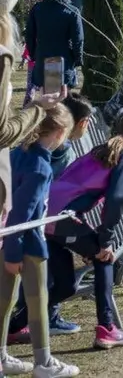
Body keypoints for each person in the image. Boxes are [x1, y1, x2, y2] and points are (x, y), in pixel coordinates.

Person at [35, 109, 123, 350]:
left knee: (66, 285)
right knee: (104, 257)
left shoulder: (102, 148)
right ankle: (106, 328)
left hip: (43, 214)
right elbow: (118, 197)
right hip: (62, 216)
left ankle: (15, 324)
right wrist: (106, 238)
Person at [0, 105, 79, 378]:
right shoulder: (40, 167)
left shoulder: (14, 155)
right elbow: (21, 215)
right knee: (37, 300)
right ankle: (43, 362)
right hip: (28, 245)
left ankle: (1, 357)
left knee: (6, 300)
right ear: (59, 133)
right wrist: (13, 254)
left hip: (9, 240)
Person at [0, 0, 67, 216]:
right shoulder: (2, 56)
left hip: (39, 60)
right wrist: (38, 107)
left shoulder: (38, 10)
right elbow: (2, 131)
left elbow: (32, 36)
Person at [24, 0, 82, 94]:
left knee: (47, 100)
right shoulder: (72, 10)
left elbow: (29, 35)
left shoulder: (38, 8)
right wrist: (77, 59)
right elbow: (78, 39)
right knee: (62, 101)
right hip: (63, 60)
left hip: (43, 58)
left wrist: (34, 54)